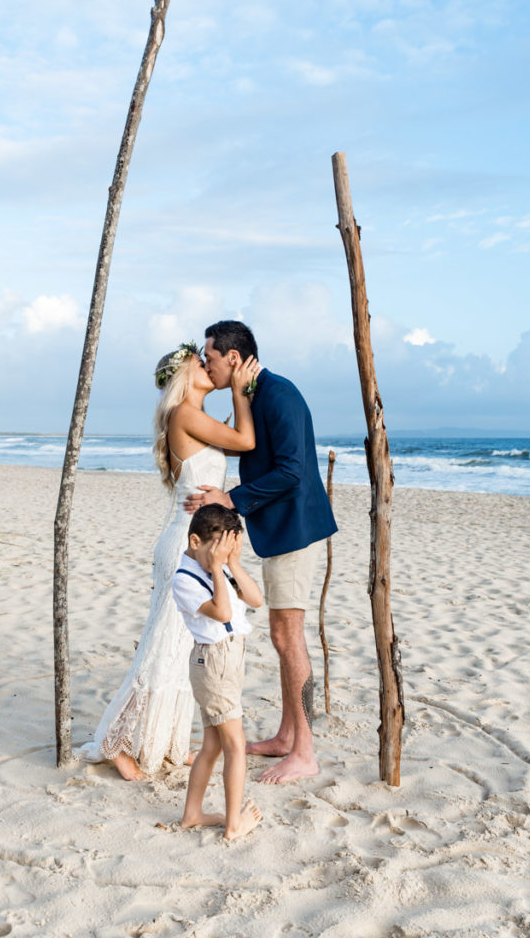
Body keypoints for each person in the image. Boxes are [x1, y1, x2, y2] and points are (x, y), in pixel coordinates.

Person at [74, 341, 259, 780]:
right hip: (184, 544)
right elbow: (246, 440)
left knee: (182, 649)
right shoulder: (184, 415)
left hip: (196, 542)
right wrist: (240, 388)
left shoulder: (198, 419)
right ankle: (117, 742)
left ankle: (167, 743)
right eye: (200, 360)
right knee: (163, 645)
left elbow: (236, 446)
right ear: (185, 373)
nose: (206, 364)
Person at [185, 321, 337, 784]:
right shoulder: (255, 393)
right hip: (280, 529)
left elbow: (292, 471)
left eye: (210, 358)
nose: (206, 366)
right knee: (280, 635)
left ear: (233, 357)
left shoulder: (279, 394)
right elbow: (243, 443)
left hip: (296, 529)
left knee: (289, 638)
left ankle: (304, 752)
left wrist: (230, 499)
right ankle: (287, 736)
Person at [172, 504, 263, 840]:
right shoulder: (185, 579)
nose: (224, 556)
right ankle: (233, 826)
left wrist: (232, 564)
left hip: (228, 661)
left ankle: (192, 813)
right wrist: (216, 567)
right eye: (220, 549)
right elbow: (222, 610)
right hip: (213, 663)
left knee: (211, 744)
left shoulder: (222, 568)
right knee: (235, 746)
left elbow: (255, 600)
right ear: (195, 541)